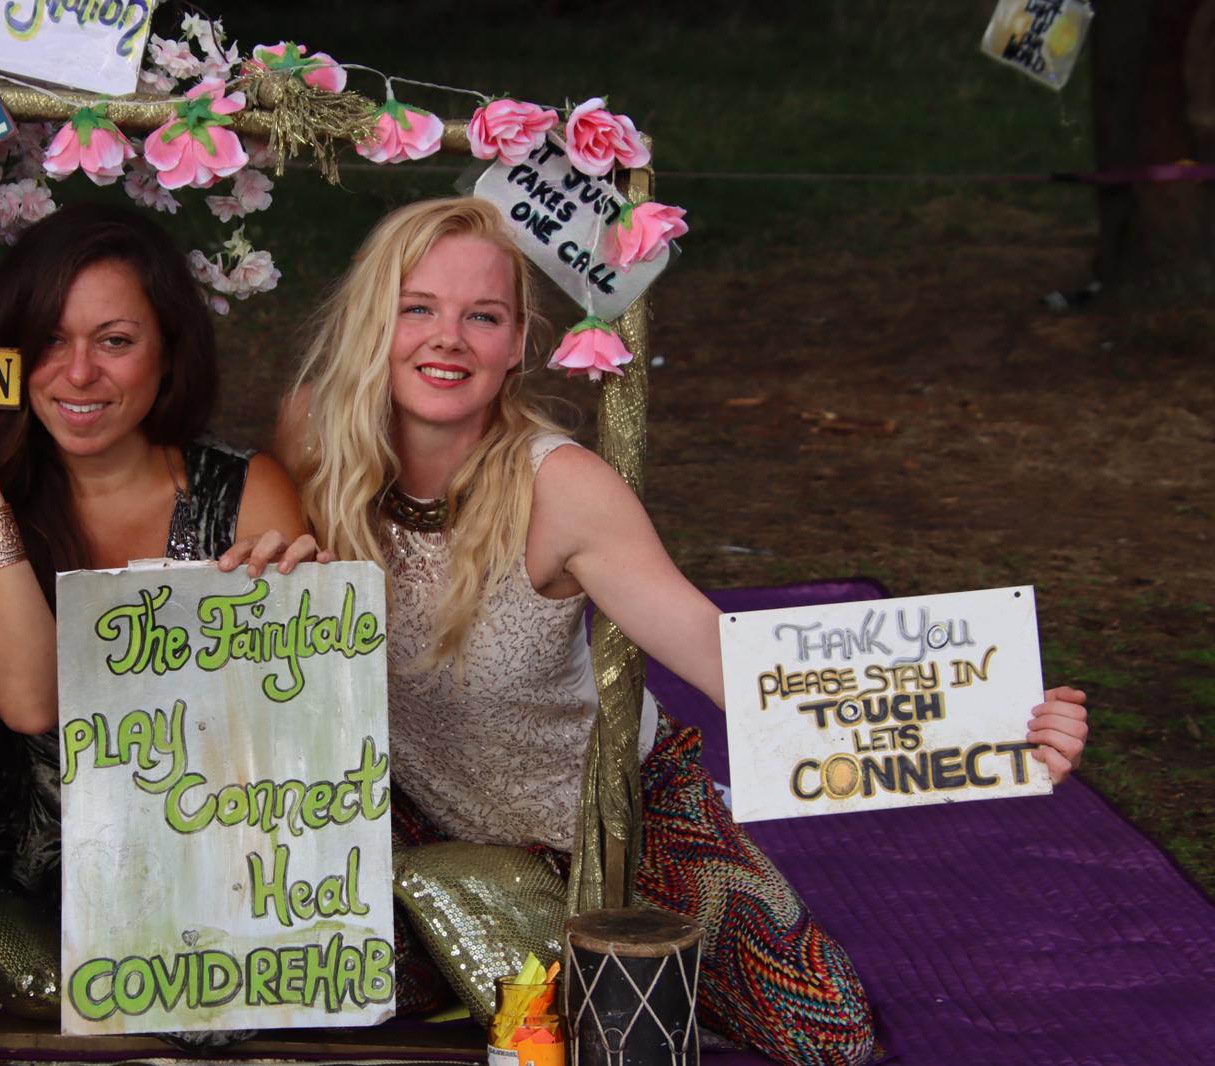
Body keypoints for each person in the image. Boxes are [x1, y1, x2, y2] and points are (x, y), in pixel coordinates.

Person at [272, 197, 1090, 1065]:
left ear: (517, 344)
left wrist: (993, 725)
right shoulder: (311, 439)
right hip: (417, 818)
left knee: (826, 1030)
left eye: (483, 316)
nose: (448, 338)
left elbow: (724, 658)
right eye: (417, 308)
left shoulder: (563, 487)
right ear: (374, 318)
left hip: (610, 817)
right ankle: (483, 937)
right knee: (301, 980)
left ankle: (525, 947)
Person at [0, 203, 318, 1009]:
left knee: (210, 1033)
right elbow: (28, 700)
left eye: (115, 341)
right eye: (51, 341)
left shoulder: (246, 494)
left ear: (167, 352)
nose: (79, 373)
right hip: (7, 838)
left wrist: (286, 616)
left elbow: (285, 745)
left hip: (177, 849)